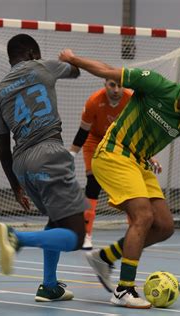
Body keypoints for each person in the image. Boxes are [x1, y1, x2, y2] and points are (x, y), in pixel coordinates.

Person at [59, 49, 180, 309]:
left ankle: (105, 257)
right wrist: (74, 60)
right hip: (113, 154)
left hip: (140, 164)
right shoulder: (155, 84)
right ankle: (123, 290)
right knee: (143, 216)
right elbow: (108, 71)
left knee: (164, 225)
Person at [0, 34, 89, 303]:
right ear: (33, 52)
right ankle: (16, 239)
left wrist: (16, 186)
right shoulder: (42, 66)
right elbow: (75, 71)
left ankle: (48, 285)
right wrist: (69, 58)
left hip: (22, 164)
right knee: (75, 236)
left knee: (56, 219)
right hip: (49, 154)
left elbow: (2, 149)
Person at [69, 79, 133, 250]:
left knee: (127, 185)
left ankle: (134, 233)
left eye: (120, 85)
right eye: (112, 85)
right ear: (105, 84)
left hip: (118, 142)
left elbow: (137, 129)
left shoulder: (131, 100)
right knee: (93, 183)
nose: (116, 89)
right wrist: (71, 154)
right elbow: (83, 131)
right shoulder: (94, 101)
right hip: (95, 141)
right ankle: (86, 235)